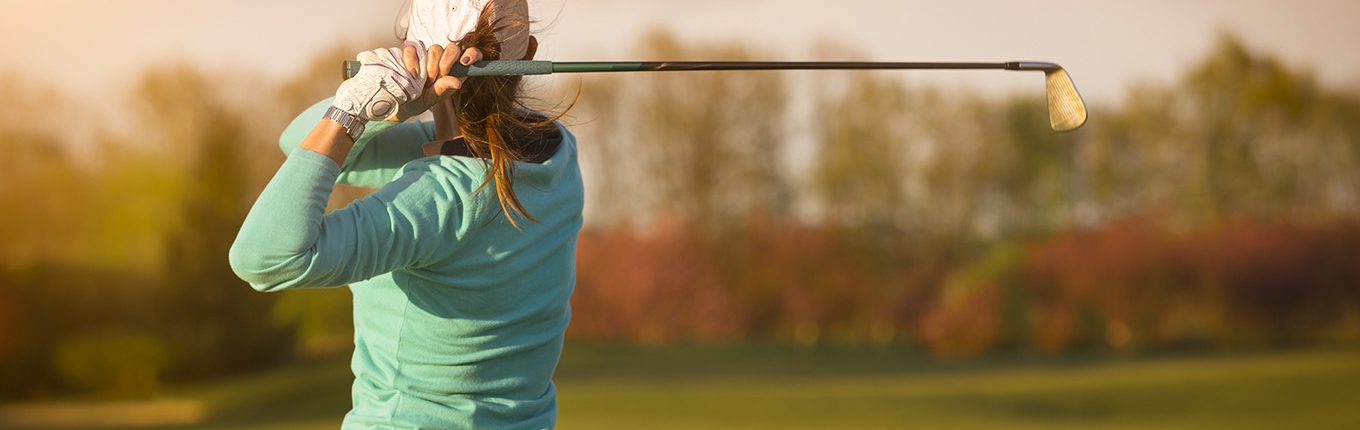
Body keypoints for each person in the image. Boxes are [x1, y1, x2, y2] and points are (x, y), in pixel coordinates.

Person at [228, 0, 582, 428]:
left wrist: (354, 111)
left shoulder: (445, 197)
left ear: (413, 49)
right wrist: (398, 111)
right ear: (527, 54)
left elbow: (264, 259)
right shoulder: (557, 154)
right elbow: (296, 139)